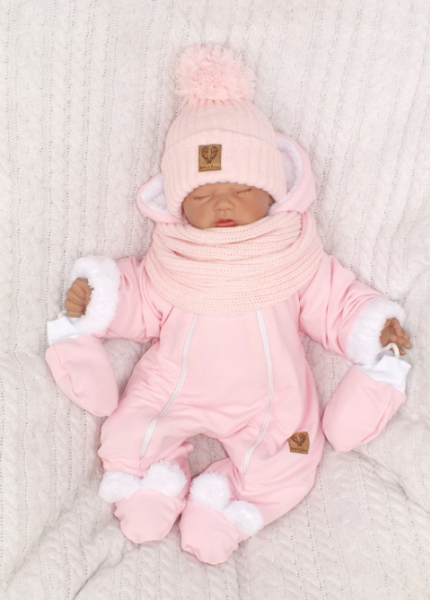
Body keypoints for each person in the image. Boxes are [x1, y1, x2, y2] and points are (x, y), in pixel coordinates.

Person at [46, 45, 411, 565]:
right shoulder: (172, 259)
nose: (221, 203)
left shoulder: (294, 256)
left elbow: (336, 304)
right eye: (200, 195)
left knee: (295, 452)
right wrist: (96, 297)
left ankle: (226, 506)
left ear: (274, 193)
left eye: (241, 189)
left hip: (272, 397)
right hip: (174, 385)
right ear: (176, 206)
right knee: (129, 430)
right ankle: (149, 485)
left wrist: (375, 325)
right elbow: (138, 298)